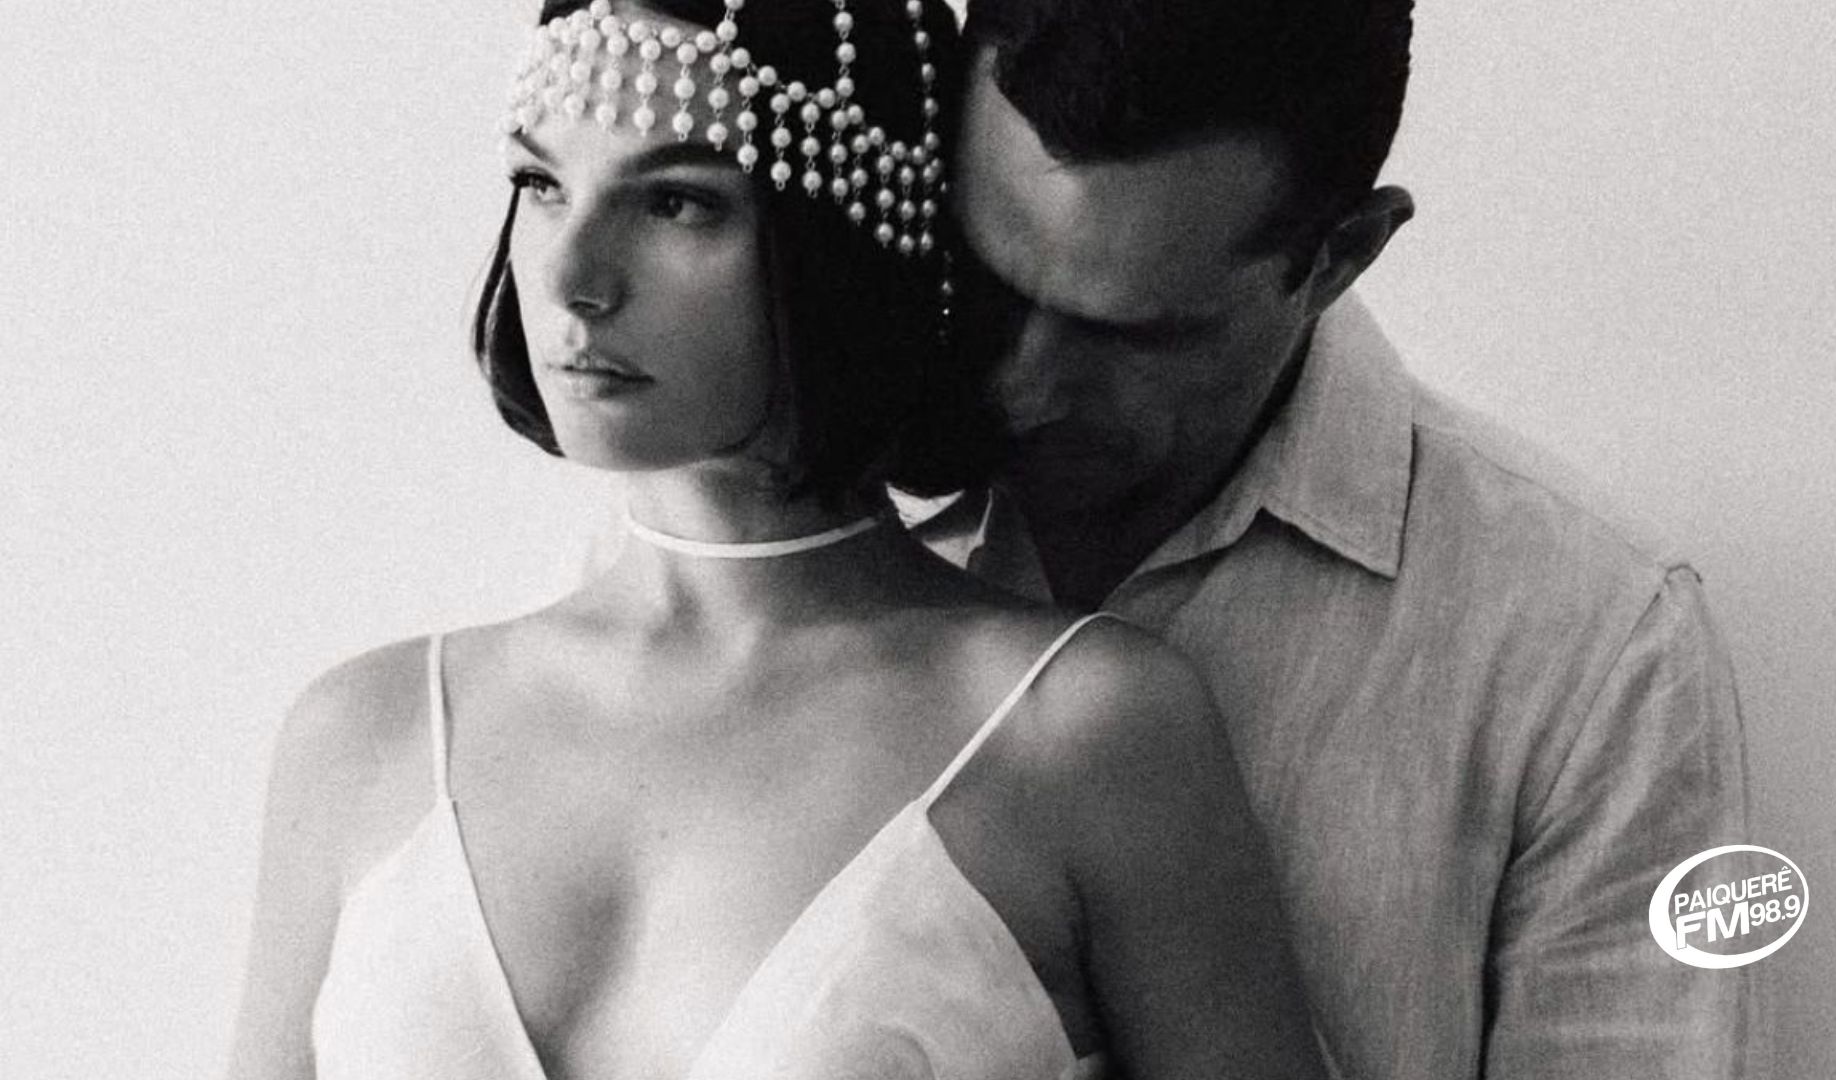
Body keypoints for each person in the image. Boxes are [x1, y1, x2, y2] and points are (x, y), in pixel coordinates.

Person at [225, 2, 1328, 1079]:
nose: (573, 279)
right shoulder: (363, 738)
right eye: (541, 184)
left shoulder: (1084, 731)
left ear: (847, 236)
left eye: (677, 204)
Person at [922, 1, 1759, 1077]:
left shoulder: (1597, 652)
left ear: (1342, 256)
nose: (1023, 384)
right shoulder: (781, 504)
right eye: (987, 280)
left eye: (1133, 334)